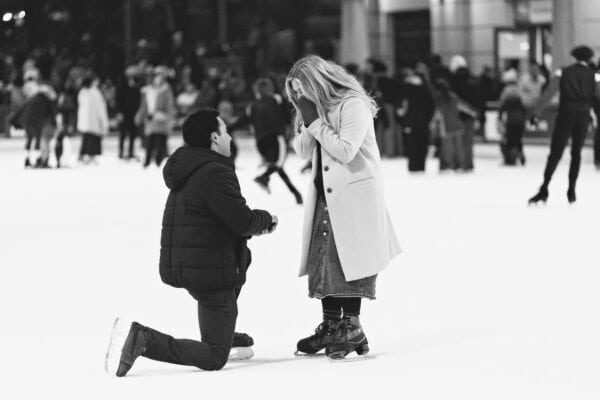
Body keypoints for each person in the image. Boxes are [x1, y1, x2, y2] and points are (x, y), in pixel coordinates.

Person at [105, 109, 278, 377]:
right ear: (213, 137)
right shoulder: (214, 172)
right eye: (226, 132)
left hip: (193, 264)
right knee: (213, 356)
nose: (231, 138)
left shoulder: (189, 166)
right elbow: (241, 220)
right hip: (210, 272)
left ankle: (224, 331)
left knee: (238, 266)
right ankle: (143, 339)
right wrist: (266, 220)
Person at [286, 55, 401, 360]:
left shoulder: (352, 104)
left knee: (350, 256)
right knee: (324, 257)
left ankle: (351, 326)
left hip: (354, 194)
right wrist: (305, 117)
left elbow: (346, 151)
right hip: (325, 193)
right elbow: (302, 151)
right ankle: (332, 323)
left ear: (318, 81)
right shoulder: (315, 111)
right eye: (296, 92)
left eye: (303, 88)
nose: (301, 95)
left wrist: (314, 120)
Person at [528, 45, 600, 204]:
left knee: (555, 152)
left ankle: (544, 188)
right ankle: (571, 190)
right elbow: (598, 95)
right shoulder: (594, 75)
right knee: (577, 153)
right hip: (583, 117)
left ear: (575, 57)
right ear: (589, 58)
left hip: (565, 115)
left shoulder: (563, 72)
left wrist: (536, 113)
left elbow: (549, 92)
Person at [229, 78, 303, 204]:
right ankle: (263, 178)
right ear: (270, 89)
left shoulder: (252, 106)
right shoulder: (278, 100)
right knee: (278, 164)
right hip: (276, 138)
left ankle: (296, 194)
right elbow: (289, 114)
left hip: (260, 142)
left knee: (276, 167)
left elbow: (240, 122)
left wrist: (225, 129)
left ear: (257, 92)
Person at [431, 78, 478, 172]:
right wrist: (473, 113)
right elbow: (463, 106)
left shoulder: (439, 99)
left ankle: (449, 164)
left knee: (447, 148)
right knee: (458, 147)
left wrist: (433, 124)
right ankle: (460, 164)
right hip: (457, 125)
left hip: (446, 126)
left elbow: (437, 114)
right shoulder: (453, 97)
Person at [136, 66, 176, 167]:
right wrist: (139, 115)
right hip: (150, 119)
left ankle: (159, 160)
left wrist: (169, 117)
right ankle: (147, 160)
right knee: (150, 141)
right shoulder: (147, 90)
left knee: (161, 141)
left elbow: (170, 105)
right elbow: (144, 105)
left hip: (161, 118)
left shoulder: (166, 89)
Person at [396, 68, 435, 172]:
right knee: (422, 145)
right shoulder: (426, 89)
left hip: (410, 122)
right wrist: (428, 120)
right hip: (423, 123)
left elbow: (401, 106)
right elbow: (431, 107)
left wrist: (403, 120)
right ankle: (421, 166)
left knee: (412, 145)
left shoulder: (407, 89)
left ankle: (413, 166)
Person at [78, 75, 109, 164]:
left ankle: (83, 155)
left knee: (86, 138)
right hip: (94, 119)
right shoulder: (95, 93)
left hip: (85, 120)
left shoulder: (82, 92)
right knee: (93, 139)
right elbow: (100, 107)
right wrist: (103, 119)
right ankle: (91, 156)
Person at [116, 66, 142, 160]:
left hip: (134, 113)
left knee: (133, 133)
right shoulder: (121, 84)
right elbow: (118, 99)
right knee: (122, 133)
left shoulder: (137, 84)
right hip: (124, 112)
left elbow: (139, 98)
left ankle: (131, 152)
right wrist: (119, 112)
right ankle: (121, 152)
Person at [498, 84, 527, 166]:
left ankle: (510, 159)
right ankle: (520, 155)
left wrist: (500, 120)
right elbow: (524, 111)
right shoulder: (519, 100)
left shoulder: (507, 101)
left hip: (510, 123)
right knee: (518, 140)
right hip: (520, 123)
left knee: (510, 141)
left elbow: (501, 111)